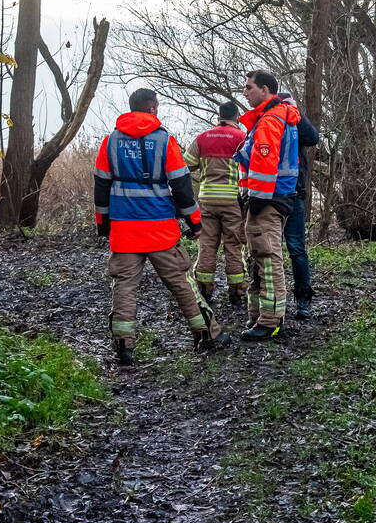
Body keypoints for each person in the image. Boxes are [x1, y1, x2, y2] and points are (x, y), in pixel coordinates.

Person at [94, 88, 229, 366]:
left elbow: (101, 188)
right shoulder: (165, 141)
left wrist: (103, 225)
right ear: (153, 109)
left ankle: (123, 347)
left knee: (124, 287)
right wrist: (194, 223)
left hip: (124, 228)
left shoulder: (109, 143)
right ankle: (207, 335)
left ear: (131, 109)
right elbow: (181, 187)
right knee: (181, 283)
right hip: (160, 229)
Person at [234, 70, 300, 341]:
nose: (245, 92)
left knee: (267, 258)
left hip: (268, 200)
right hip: (274, 198)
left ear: (265, 89)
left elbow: (264, 162)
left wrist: (255, 199)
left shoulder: (271, 119)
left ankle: (270, 320)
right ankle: (259, 316)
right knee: (259, 258)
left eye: (249, 88)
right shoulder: (275, 117)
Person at [184, 101, 248, 304]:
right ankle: (236, 292)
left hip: (208, 199)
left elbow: (186, 166)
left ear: (218, 116)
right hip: (232, 200)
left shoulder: (203, 138)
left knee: (207, 245)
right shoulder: (242, 138)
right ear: (236, 116)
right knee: (233, 246)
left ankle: (204, 291)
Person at [277, 92, 319, 320]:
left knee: (296, 249)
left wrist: (297, 113)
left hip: (294, 195)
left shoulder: (295, 123)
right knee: (264, 251)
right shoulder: (267, 120)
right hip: (268, 197)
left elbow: (313, 138)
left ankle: (303, 300)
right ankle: (268, 302)